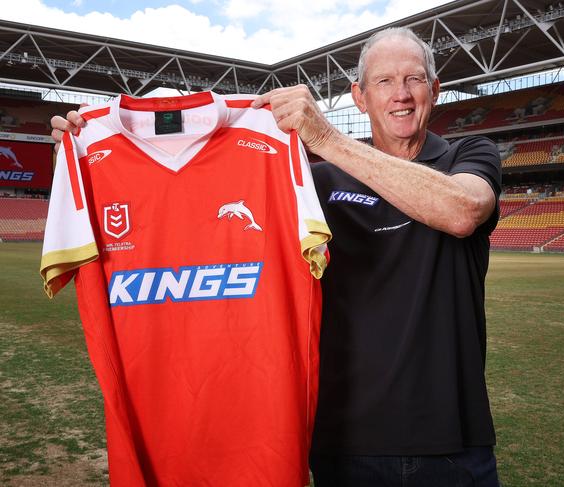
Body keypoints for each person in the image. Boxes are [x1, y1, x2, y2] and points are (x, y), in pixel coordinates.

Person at [52, 26, 501, 487]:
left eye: (415, 79)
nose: (401, 94)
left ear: (436, 90)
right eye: (384, 82)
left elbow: (462, 211)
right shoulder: (316, 183)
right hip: (343, 444)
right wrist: (86, 160)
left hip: (452, 444)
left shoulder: (468, 155)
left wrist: (326, 139)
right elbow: (196, 205)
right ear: (359, 97)